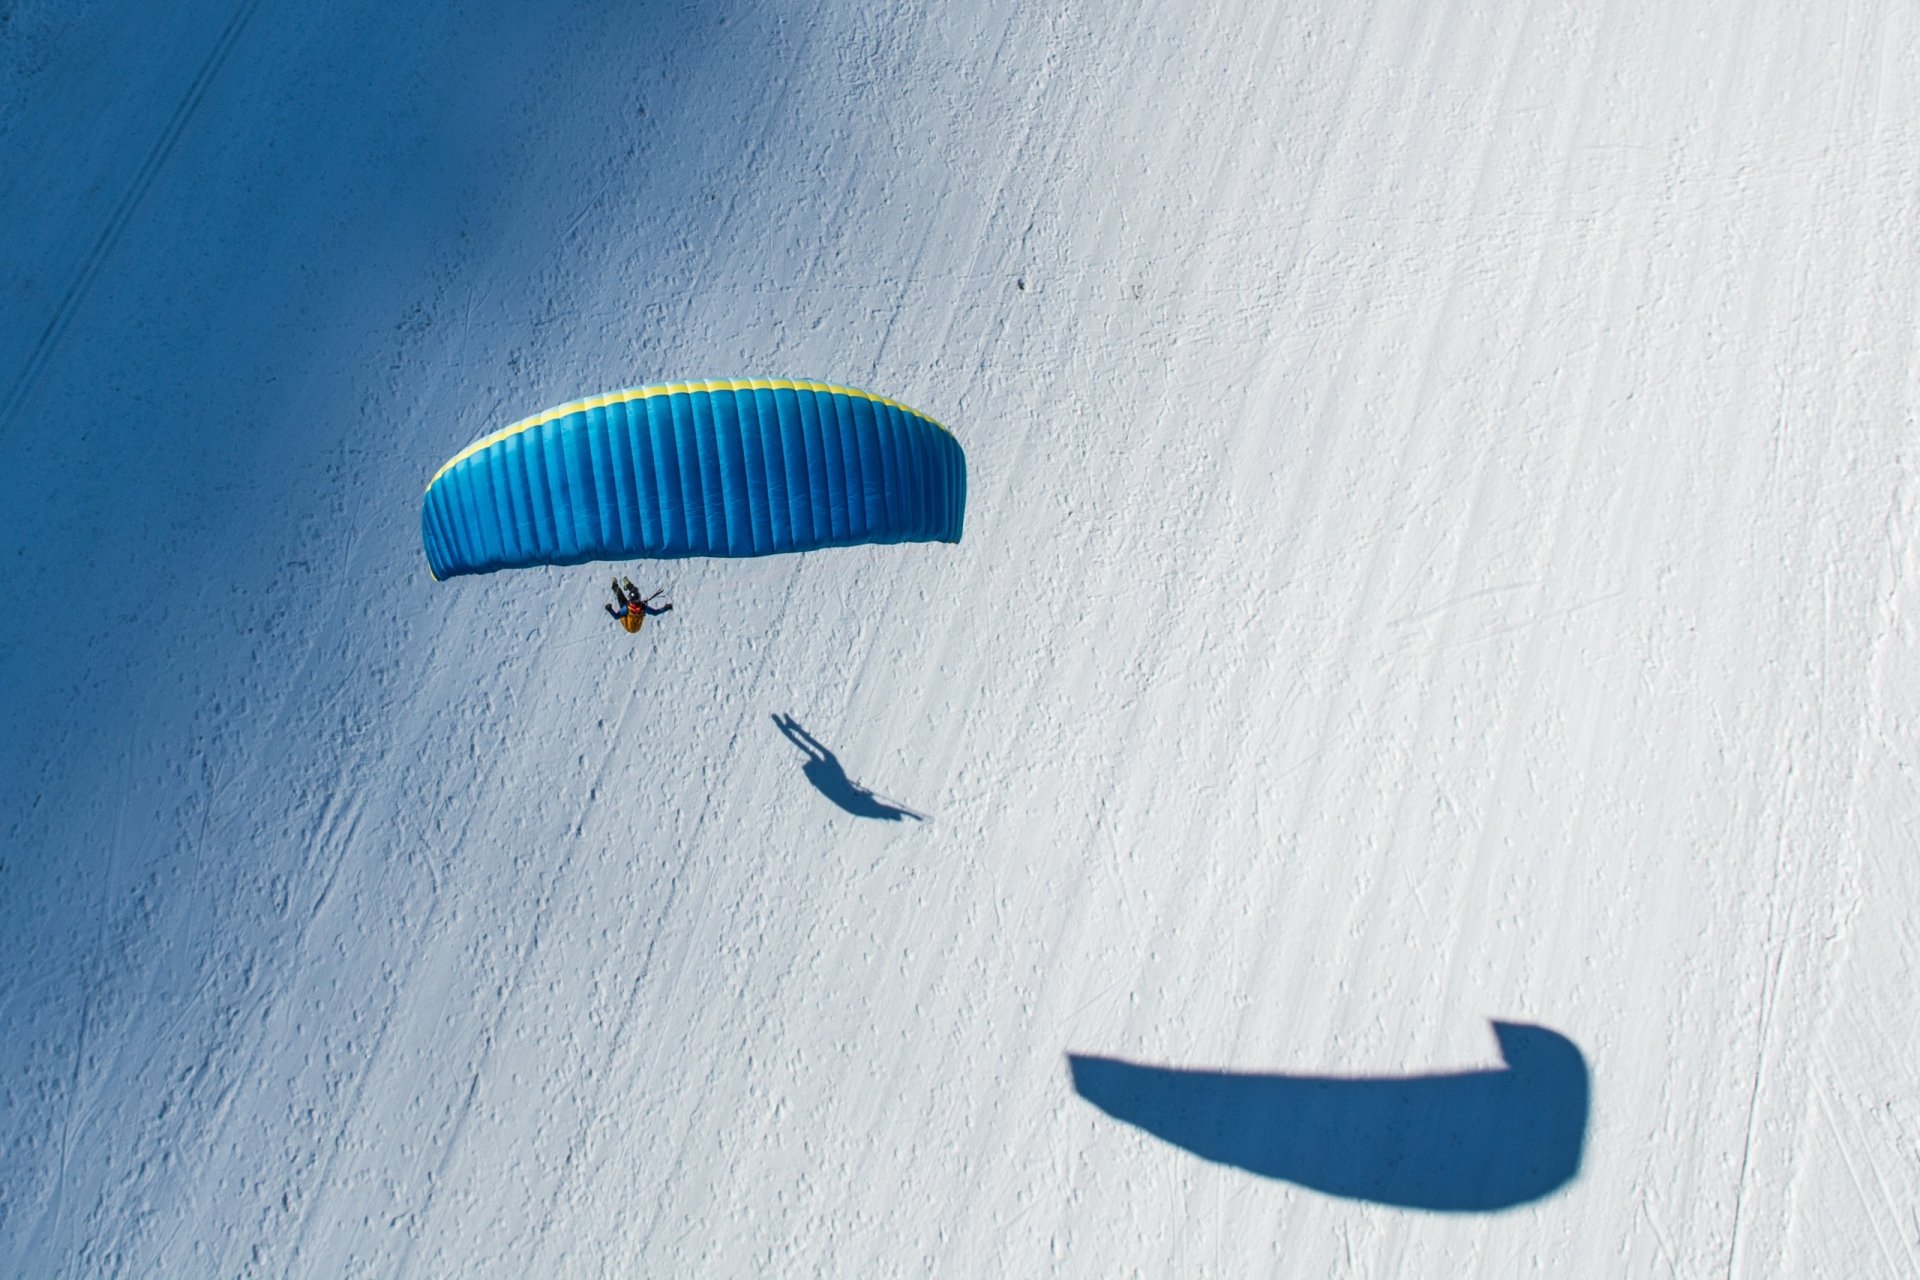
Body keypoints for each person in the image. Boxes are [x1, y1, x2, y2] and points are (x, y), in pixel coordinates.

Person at [606, 576, 671, 633]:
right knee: (635, 590)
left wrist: (610, 609)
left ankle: (614, 585)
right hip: (637, 627)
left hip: (628, 625)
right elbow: (655, 613)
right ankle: (628, 585)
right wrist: (666, 608)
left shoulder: (626, 608)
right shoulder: (643, 607)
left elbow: (616, 617)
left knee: (619, 594)